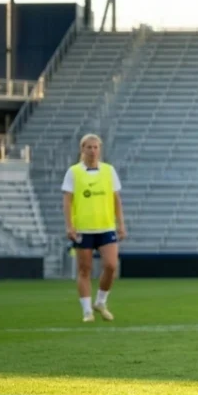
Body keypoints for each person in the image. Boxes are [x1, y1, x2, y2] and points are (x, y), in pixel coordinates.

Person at [62, 133, 126, 322]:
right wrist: (69, 226)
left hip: (106, 226)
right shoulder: (73, 172)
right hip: (83, 228)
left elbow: (116, 199)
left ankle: (100, 301)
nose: (92, 150)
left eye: (95, 147)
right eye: (89, 147)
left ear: (100, 149)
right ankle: (87, 311)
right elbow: (67, 201)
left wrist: (121, 224)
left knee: (111, 265)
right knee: (84, 269)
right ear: (82, 149)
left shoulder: (108, 170)